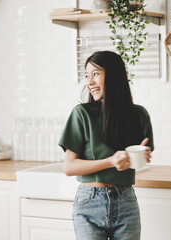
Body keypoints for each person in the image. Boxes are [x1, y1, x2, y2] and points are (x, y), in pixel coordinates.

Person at [58, 50, 154, 240]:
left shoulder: (139, 115)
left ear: (113, 75)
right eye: (87, 75)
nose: (89, 82)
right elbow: (69, 167)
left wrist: (141, 157)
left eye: (96, 74)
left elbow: (137, 160)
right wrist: (111, 161)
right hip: (88, 202)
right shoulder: (81, 114)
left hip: (126, 199)